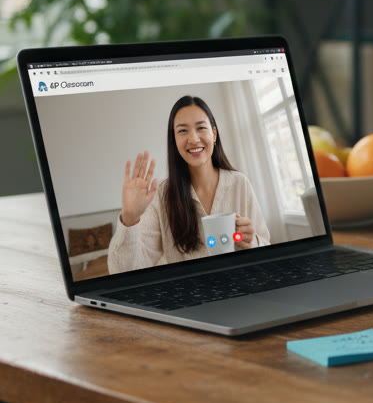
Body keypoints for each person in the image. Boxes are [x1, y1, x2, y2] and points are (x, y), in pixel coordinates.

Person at [108, 95, 271, 273]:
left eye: (201, 127)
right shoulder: (162, 195)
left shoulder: (239, 183)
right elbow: (125, 271)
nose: (193, 139)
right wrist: (129, 218)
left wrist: (251, 241)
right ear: (174, 140)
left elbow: (266, 248)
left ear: (214, 134)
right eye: (183, 131)